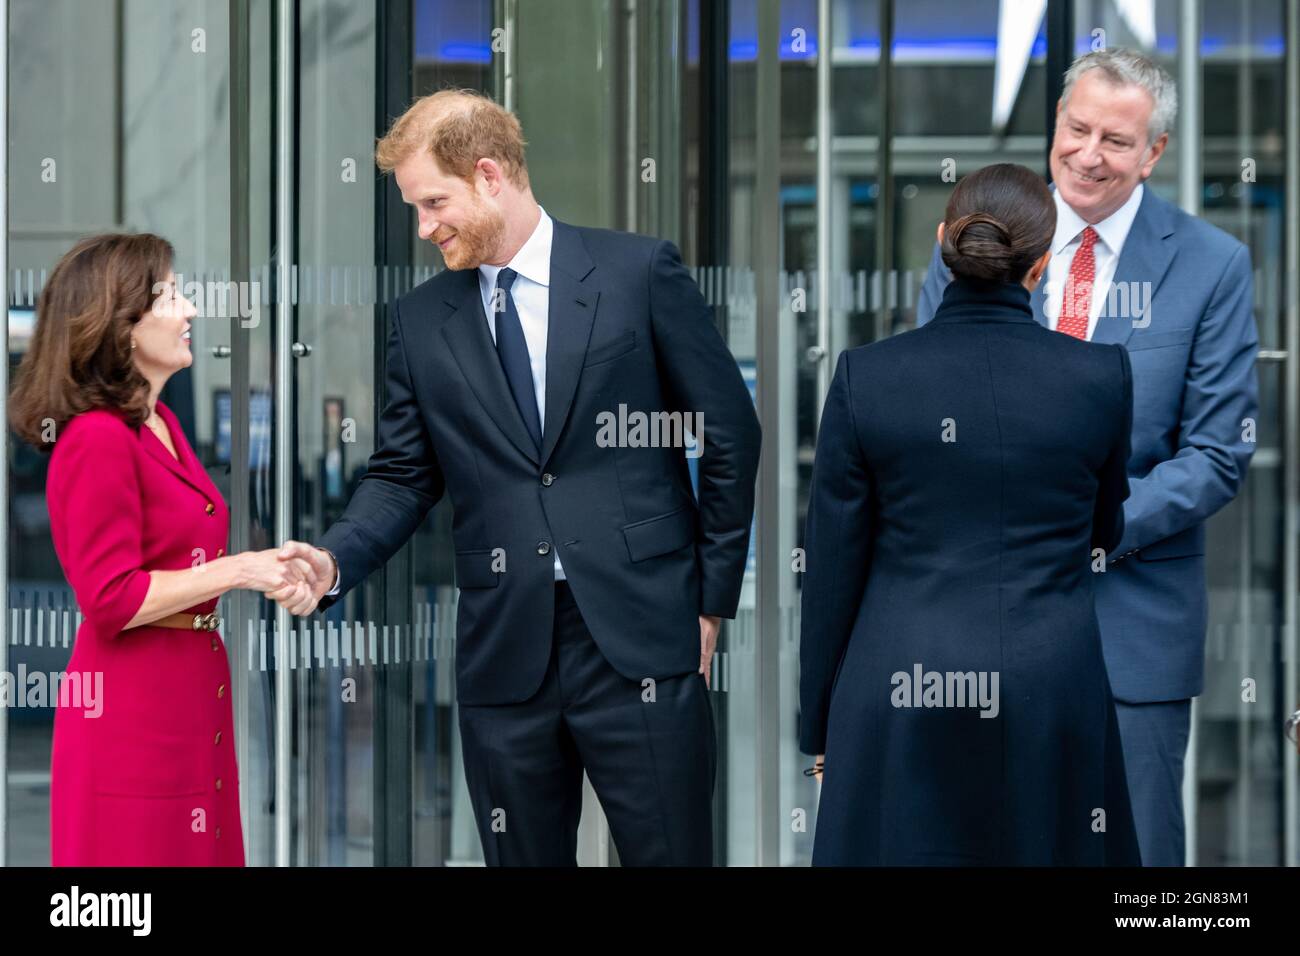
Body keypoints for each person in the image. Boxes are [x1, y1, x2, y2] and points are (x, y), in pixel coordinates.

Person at [277, 90, 761, 865]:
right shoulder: (421, 319)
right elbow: (403, 473)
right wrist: (337, 559)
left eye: (434, 202)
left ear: (490, 175)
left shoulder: (638, 273)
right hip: (506, 652)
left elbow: (729, 432)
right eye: (416, 207)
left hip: (641, 633)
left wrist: (709, 601)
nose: (426, 226)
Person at [917, 48, 1259, 866]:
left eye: (1116, 139)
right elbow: (930, 408)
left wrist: (1092, 525)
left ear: (1154, 153)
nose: (1088, 154)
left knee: (1132, 859)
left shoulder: (1212, 266)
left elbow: (1217, 453)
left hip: (1132, 624)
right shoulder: (970, 244)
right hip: (980, 615)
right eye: (1076, 129)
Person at [800, 163, 1141, 865]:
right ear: (1042, 265)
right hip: (1050, 686)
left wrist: (821, 724)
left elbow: (833, 570)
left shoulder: (868, 375)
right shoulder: (1100, 376)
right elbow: (1104, 531)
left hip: (899, 685)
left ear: (941, 243)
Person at [8, 233, 320, 866]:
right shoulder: (97, 438)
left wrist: (279, 566)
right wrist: (241, 570)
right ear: (121, 325)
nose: (191, 311)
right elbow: (110, 597)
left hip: (187, 692)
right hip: (133, 717)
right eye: (171, 295)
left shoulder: (160, 424)